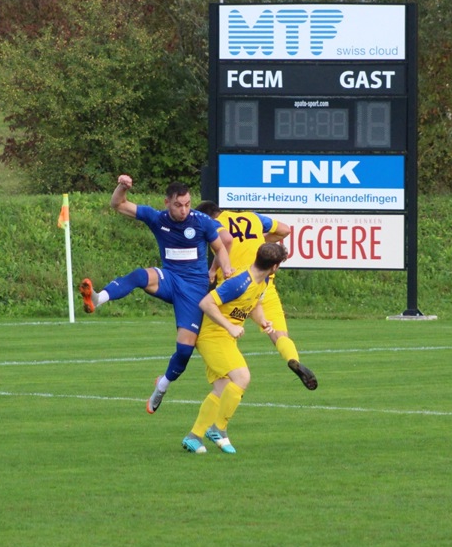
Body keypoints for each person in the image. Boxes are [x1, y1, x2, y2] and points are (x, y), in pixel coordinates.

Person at [79, 175, 232, 414]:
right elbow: (118, 204)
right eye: (178, 205)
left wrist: (226, 269)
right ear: (166, 203)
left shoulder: (202, 222)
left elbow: (221, 247)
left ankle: (161, 386)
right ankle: (98, 298)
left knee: (184, 351)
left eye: (188, 204)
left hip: (194, 290)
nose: (184, 210)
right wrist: (122, 187)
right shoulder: (157, 218)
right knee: (141, 275)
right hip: (170, 279)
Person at [197, 201, 317, 391]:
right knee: (278, 333)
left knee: (219, 336)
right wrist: (262, 244)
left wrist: (213, 268)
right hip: (263, 283)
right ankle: (292, 359)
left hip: (234, 287)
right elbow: (284, 230)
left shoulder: (215, 224)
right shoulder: (253, 217)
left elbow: (226, 243)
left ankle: (223, 381)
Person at [183, 242, 288, 454]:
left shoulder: (263, 280)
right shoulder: (240, 282)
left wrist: (263, 322)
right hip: (212, 336)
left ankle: (194, 436)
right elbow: (206, 303)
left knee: (223, 389)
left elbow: (254, 305)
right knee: (242, 378)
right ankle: (218, 429)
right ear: (275, 266)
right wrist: (229, 326)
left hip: (223, 337)